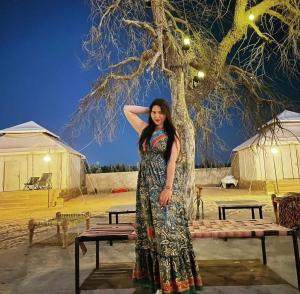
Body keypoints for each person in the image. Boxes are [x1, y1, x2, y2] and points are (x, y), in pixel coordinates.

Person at [123, 99, 203, 294]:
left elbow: (171, 163)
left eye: (160, 112)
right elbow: (126, 109)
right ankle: (158, 282)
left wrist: (167, 188)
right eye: (154, 112)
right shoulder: (145, 130)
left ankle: (173, 283)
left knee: (167, 233)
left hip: (163, 187)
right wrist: (147, 109)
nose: (157, 116)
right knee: (152, 235)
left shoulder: (171, 134)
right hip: (145, 190)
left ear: (167, 114)